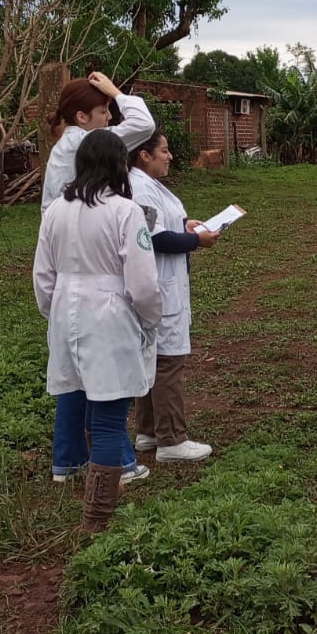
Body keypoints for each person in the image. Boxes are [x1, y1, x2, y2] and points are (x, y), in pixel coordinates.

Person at [34, 129, 164, 532]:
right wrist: (150, 318)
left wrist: (55, 314)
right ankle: (98, 518)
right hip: (109, 315)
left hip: (65, 313)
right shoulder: (125, 211)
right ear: (118, 166)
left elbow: (43, 277)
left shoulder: (56, 209)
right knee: (109, 417)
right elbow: (142, 284)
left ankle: (76, 476)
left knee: (81, 395)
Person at [128, 133, 219, 463]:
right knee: (168, 361)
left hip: (165, 284)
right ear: (144, 155)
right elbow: (153, 237)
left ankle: (149, 431)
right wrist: (196, 242)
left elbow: (163, 222)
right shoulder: (138, 185)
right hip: (160, 286)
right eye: (164, 151)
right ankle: (172, 440)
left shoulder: (150, 184)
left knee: (155, 357)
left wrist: (186, 225)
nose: (170, 157)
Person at [41, 72, 155, 210]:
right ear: (82, 116)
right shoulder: (88, 142)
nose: (109, 116)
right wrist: (113, 91)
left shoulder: (67, 144)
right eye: (103, 111)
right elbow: (144, 124)